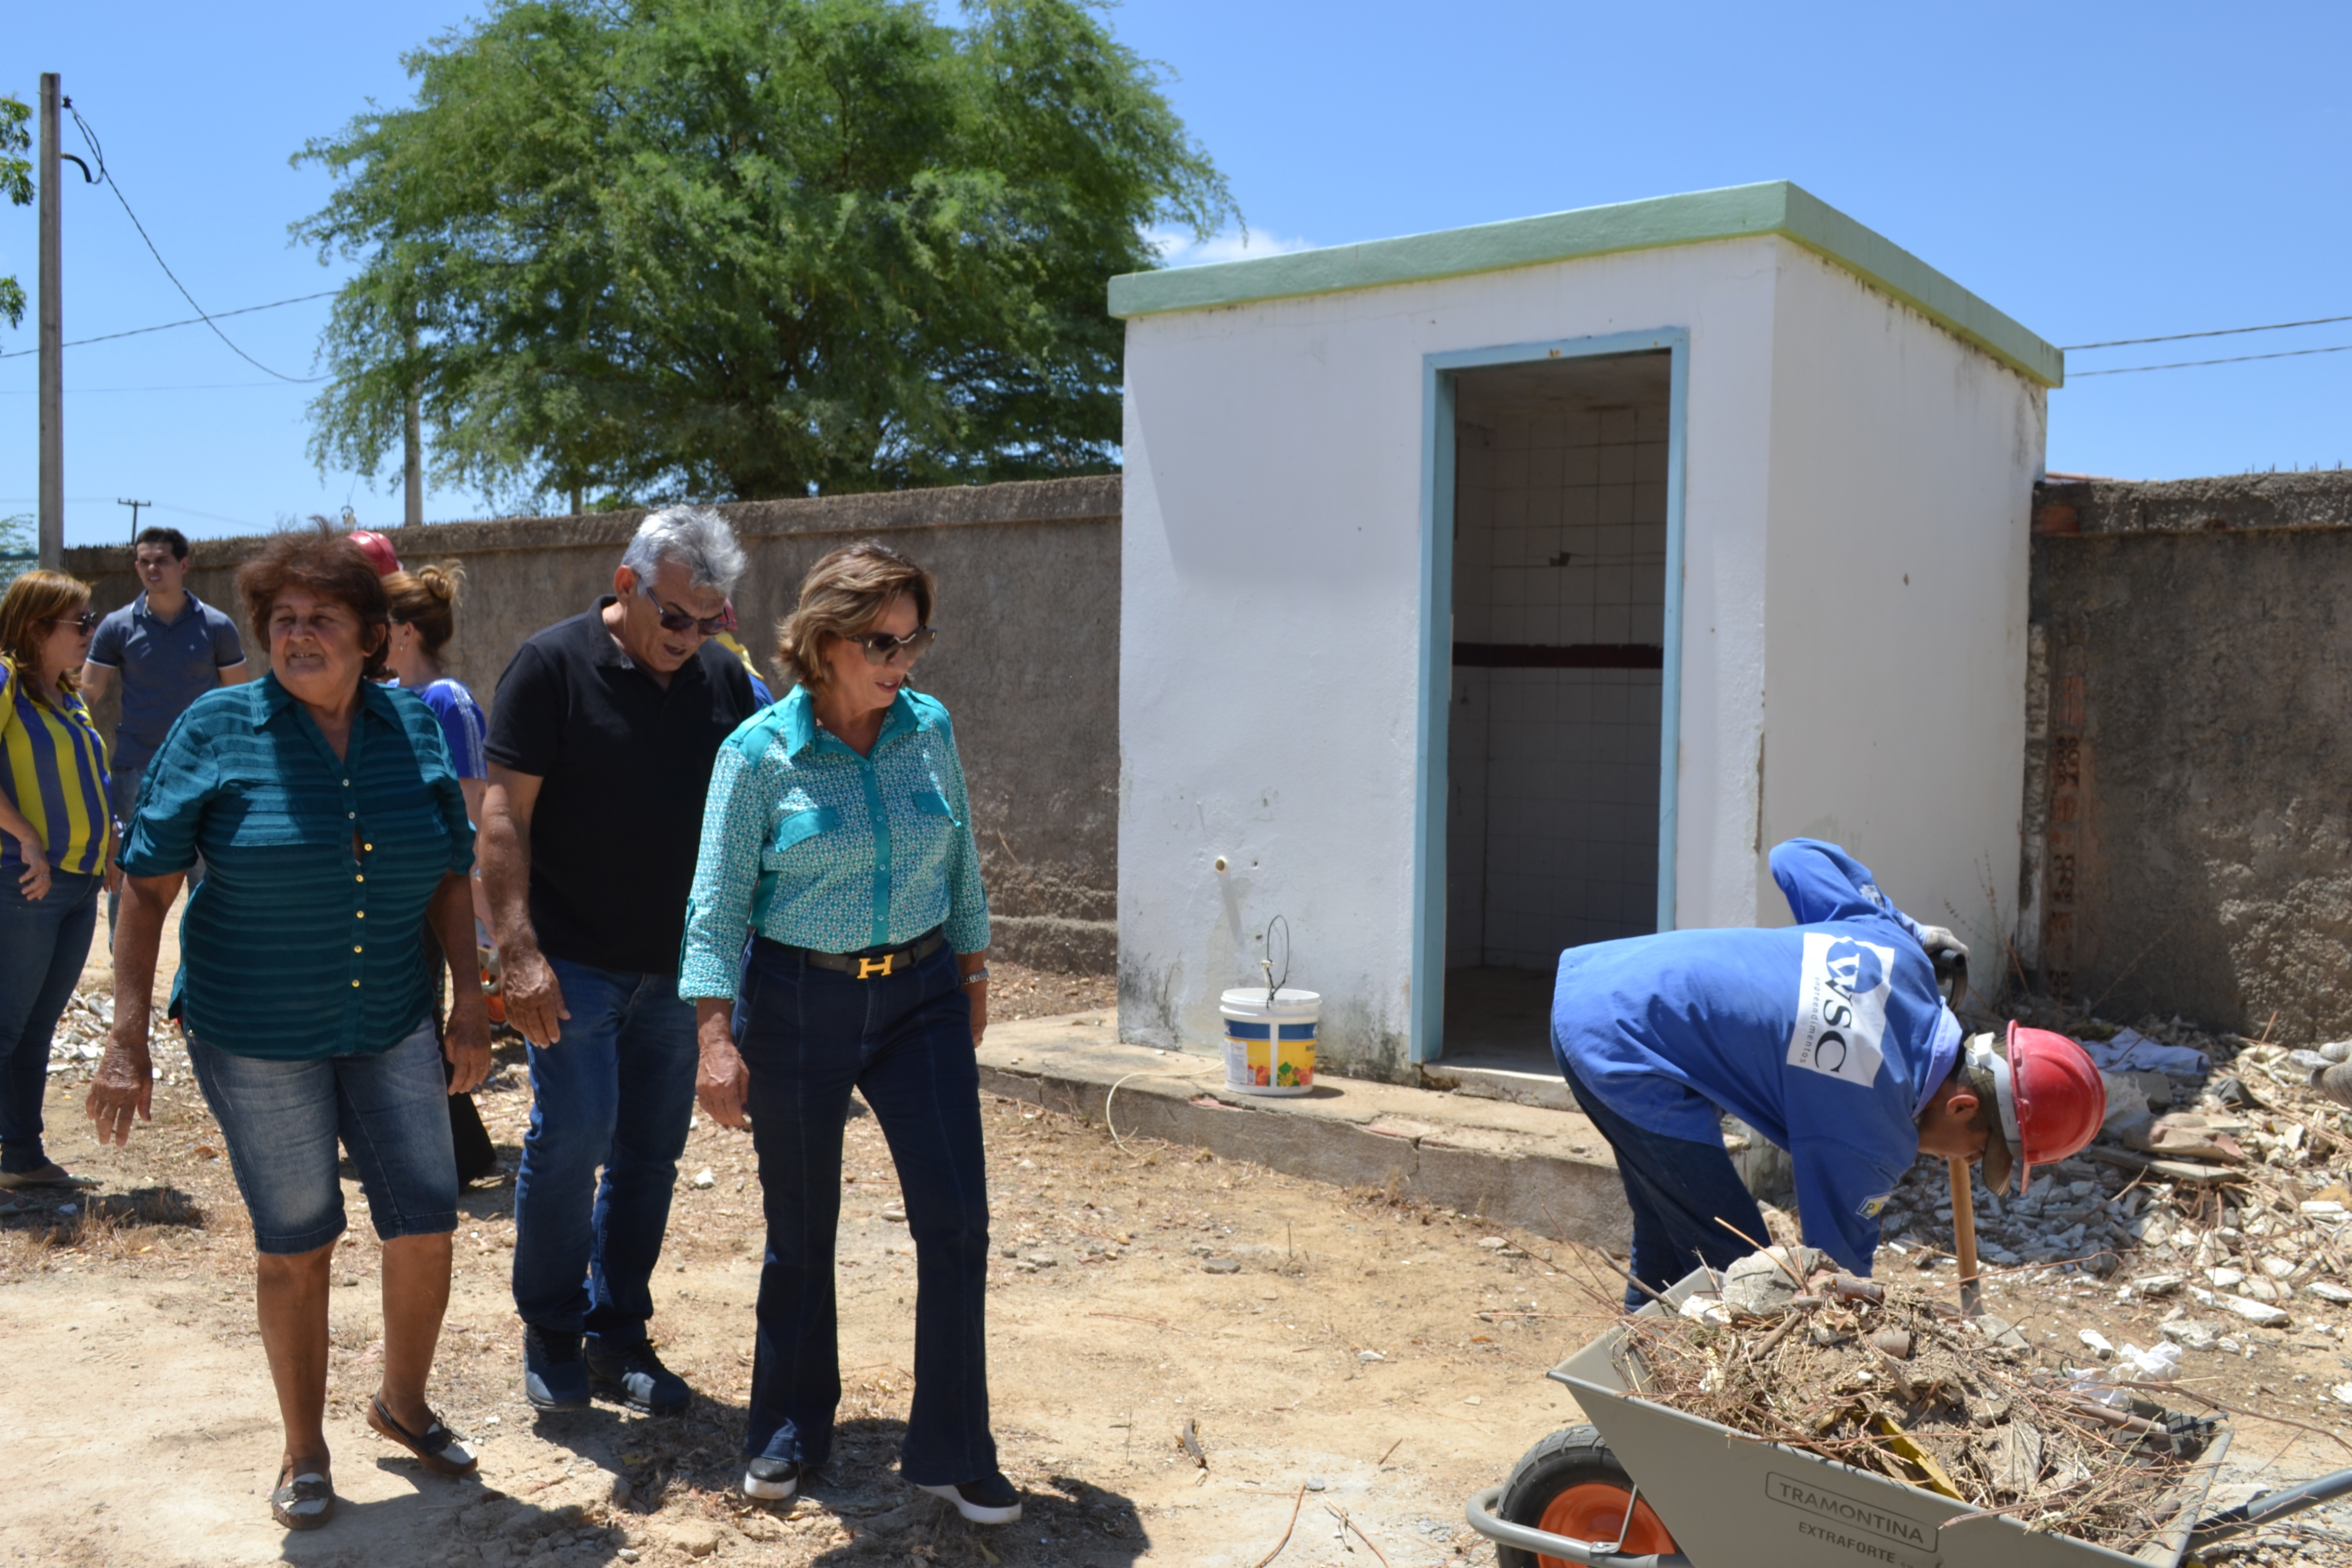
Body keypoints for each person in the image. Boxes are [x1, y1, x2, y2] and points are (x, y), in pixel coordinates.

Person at [85, 524, 490, 1531]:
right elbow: (146, 890)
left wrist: (471, 1001)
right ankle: (304, 1449)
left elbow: (449, 868)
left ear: (373, 636)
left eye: (324, 621)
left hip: (391, 1014)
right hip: (255, 1028)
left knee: (427, 1222)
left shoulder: (412, 729)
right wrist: (126, 1034)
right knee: (298, 1241)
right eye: (283, 622)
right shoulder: (218, 729)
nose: (300, 637)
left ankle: (402, 1405)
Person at [684, 542, 1017, 1524]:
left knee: (957, 1219)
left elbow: (960, 862)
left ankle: (954, 1448)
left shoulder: (928, 728)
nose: (902, 661)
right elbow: (714, 906)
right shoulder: (756, 754)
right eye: (882, 641)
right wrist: (715, 1037)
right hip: (796, 999)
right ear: (825, 642)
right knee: (801, 1228)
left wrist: (972, 966)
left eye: (915, 640)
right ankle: (788, 1428)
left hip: (919, 997)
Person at [1551, 838, 2105, 1308]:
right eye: (1977, 1153)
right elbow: (1839, 1271)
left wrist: (1904, 926)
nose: (1961, 1162)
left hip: (1605, 985)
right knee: (1751, 1274)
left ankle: (1630, 1407)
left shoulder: (1899, 957)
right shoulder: (1874, 1132)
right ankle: (1662, 1414)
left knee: (1675, 1241)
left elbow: (1796, 856)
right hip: (1628, 1050)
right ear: (1962, 1106)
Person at [481, 505, 760, 1416]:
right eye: (675, 616)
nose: (691, 637)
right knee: (574, 1136)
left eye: (709, 621)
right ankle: (553, 1327)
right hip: (574, 963)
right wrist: (515, 949)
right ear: (628, 584)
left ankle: (618, 1333)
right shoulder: (551, 665)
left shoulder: (722, 682)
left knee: (649, 1154)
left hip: (678, 971)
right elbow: (501, 818)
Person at [383, 561, 502, 1185]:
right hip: (402, 890)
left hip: (434, 890)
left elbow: (469, 806)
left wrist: (478, 902)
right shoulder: (394, 699)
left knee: (423, 1023)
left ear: (402, 631)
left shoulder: (444, 701)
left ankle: (452, 1155)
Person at [0, 572, 112, 1202]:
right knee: (4, 1025)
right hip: (22, 880)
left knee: (35, 1027)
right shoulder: (5, 680)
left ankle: (20, 1156)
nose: (90, 633)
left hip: (78, 884)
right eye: (80, 622)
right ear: (38, 628)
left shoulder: (69, 696)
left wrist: (112, 842)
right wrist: (26, 836)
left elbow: (88, 779)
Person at [79, 525, 250, 877]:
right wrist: (81, 753)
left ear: (184, 565)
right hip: (135, 767)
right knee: (133, 869)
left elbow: (239, 700)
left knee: (207, 874)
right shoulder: (116, 626)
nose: (152, 569)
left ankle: (198, 936)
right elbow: (88, 693)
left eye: (162, 561)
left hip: (203, 768)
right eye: (144, 562)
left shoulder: (217, 626)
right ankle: (120, 937)